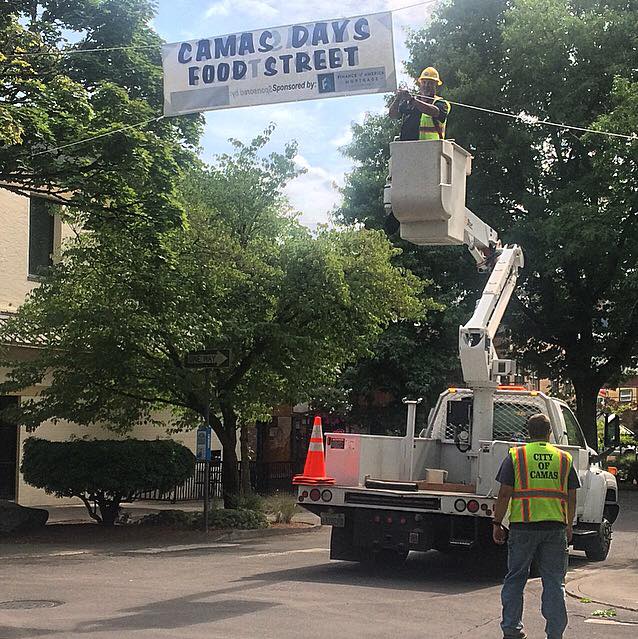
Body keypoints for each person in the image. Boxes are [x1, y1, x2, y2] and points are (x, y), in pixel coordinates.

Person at [492, 413, 581, 639]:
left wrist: (497, 522)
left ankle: (512, 630)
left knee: (515, 578)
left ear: (528, 432)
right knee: (554, 582)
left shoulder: (517, 456)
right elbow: (572, 497)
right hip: (555, 528)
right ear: (549, 432)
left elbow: (504, 493)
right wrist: (569, 524)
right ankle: (554, 634)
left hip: (523, 526)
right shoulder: (564, 459)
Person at [388, 66, 451, 141]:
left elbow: (434, 111)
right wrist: (397, 99)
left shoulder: (441, 103)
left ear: (436, 85)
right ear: (420, 84)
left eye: (430, 83)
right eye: (424, 82)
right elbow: (393, 115)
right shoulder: (408, 102)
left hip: (432, 147)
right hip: (406, 147)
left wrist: (412, 100)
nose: (426, 86)